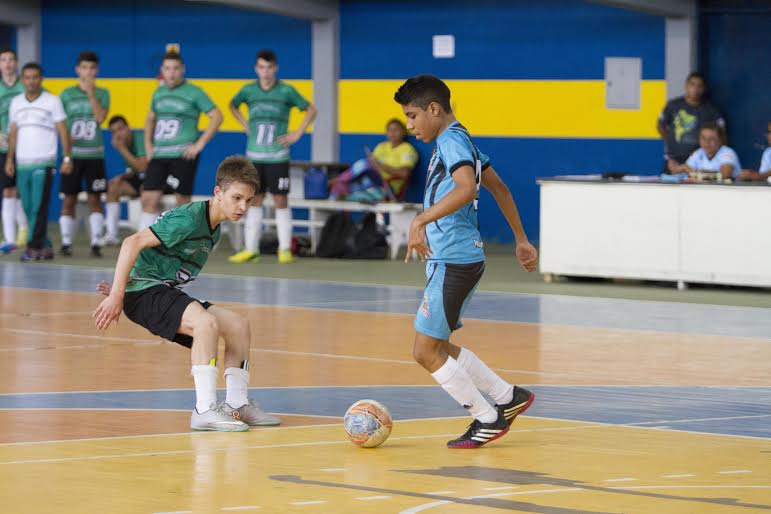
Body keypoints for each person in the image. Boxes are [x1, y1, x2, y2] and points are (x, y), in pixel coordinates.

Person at [395, 75, 538, 449]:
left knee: (424, 352)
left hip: (454, 260)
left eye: (412, 116)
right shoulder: (462, 139)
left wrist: (420, 219)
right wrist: (521, 240)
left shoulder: (453, 140)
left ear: (434, 109)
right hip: (456, 258)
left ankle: (487, 418)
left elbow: (466, 188)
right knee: (438, 346)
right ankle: (508, 397)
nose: (410, 126)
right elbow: (499, 188)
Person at [93, 155, 280, 431]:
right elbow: (132, 242)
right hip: (146, 291)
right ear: (218, 192)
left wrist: (127, 282)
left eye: (248, 201)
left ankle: (237, 405)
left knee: (238, 326)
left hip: (157, 288)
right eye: (237, 198)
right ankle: (203, 409)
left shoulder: (213, 227)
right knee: (205, 323)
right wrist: (119, 293)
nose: (243, 207)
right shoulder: (189, 218)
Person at [228, 49, 317, 265]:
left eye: (269, 68)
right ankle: (251, 249)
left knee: (280, 199)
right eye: (261, 67)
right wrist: (244, 124)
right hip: (255, 155)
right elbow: (232, 104)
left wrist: (297, 133)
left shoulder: (286, 91)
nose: (265, 72)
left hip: (278, 156)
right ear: (256, 69)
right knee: (253, 199)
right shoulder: (248, 90)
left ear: (275, 68)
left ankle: (285, 249)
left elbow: (311, 110)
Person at [138, 51, 222, 231]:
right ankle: (145, 245)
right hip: (159, 155)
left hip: (182, 155)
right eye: (167, 68)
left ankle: (183, 243)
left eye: (175, 68)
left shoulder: (195, 92)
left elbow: (217, 116)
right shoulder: (158, 93)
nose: (171, 72)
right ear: (162, 70)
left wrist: (199, 145)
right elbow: (150, 118)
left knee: (182, 200)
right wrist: (148, 145)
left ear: (182, 69)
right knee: (148, 198)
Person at [5, 62, 71, 261]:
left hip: (44, 163)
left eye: (35, 77)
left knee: (38, 207)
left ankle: (33, 248)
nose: (31, 81)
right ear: (22, 80)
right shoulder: (16, 102)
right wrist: (9, 159)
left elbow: (62, 131)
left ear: (41, 79)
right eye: (27, 77)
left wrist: (67, 157)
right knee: (26, 208)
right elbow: (13, 133)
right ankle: (46, 245)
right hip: (22, 163)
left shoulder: (52, 101)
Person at [59, 51, 110, 257]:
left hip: (94, 156)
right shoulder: (66, 95)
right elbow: (61, 128)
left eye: (92, 68)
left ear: (96, 70)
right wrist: (66, 156)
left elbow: (100, 118)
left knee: (94, 199)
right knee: (69, 199)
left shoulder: (103, 93)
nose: (88, 72)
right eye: (84, 68)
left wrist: (91, 93)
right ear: (77, 70)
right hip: (73, 155)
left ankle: (96, 242)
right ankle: (66, 243)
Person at [658, 72, 725, 174]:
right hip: (673, 158)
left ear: (704, 89)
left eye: (699, 86)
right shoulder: (673, 105)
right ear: (686, 85)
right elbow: (660, 125)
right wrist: (670, 142)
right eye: (692, 84)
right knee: (669, 187)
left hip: (697, 159)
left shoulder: (710, 109)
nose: (695, 89)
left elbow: (722, 131)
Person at [103, 115, 148, 244]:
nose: (118, 134)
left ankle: (144, 237)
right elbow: (135, 170)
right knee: (113, 187)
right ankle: (112, 235)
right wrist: (122, 177)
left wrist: (121, 148)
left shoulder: (139, 138)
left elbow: (142, 167)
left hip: (158, 179)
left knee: (146, 189)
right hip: (141, 179)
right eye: (114, 132)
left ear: (129, 128)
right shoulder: (125, 144)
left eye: (120, 129)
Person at [0, 48, 28, 254]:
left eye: (11, 59)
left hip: (27, 148)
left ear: (16, 63)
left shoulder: (23, 87)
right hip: (4, 148)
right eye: (3, 60)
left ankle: (25, 231)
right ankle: (10, 238)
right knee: (8, 190)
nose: (8, 63)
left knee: (23, 192)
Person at [369, 118, 419, 200]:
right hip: (372, 182)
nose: (392, 133)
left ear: (403, 132)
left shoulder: (407, 149)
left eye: (396, 130)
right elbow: (371, 165)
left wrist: (380, 165)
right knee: (362, 166)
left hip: (389, 187)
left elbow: (404, 173)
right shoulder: (381, 147)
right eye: (390, 130)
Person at [672, 122, 741, 180]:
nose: (707, 142)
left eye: (712, 139)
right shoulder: (699, 153)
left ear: (720, 140)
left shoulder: (727, 152)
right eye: (703, 138)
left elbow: (725, 174)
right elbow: (682, 171)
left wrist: (694, 173)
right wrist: (678, 169)